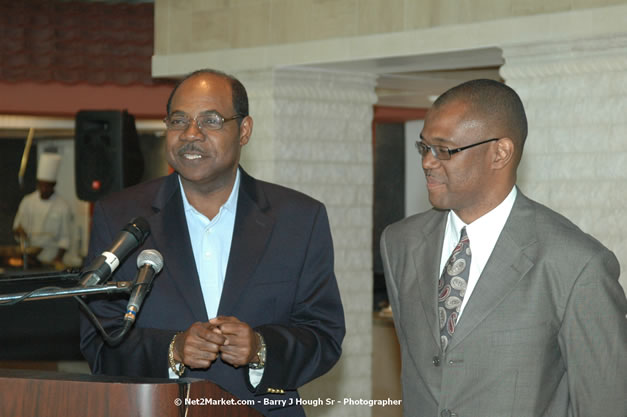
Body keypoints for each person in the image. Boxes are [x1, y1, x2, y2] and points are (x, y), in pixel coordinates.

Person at [79, 69, 345, 417]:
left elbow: (323, 336)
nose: (191, 134)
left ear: (244, 130)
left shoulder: (298, 219)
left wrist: (260, 349)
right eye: (179, 121)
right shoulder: (121, 218)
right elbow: (98, 342)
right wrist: (173, 350)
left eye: (211, 120)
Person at [380, 79, 627, 417]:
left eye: (444, 150)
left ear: (500, 153)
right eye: (424, 147)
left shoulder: (575, 264)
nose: (427, 162)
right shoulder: (400, 243)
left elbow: (605, 405)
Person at [13, 152, 72, 269]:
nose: (44, 189)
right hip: (29, 257)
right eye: (41, 185)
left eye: (47, 186)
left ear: (54, 185)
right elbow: (17, 227)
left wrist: (57, 258)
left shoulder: (62, 206)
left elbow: (65, 238)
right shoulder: (28, 201)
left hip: (51, 258)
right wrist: (19, 231)